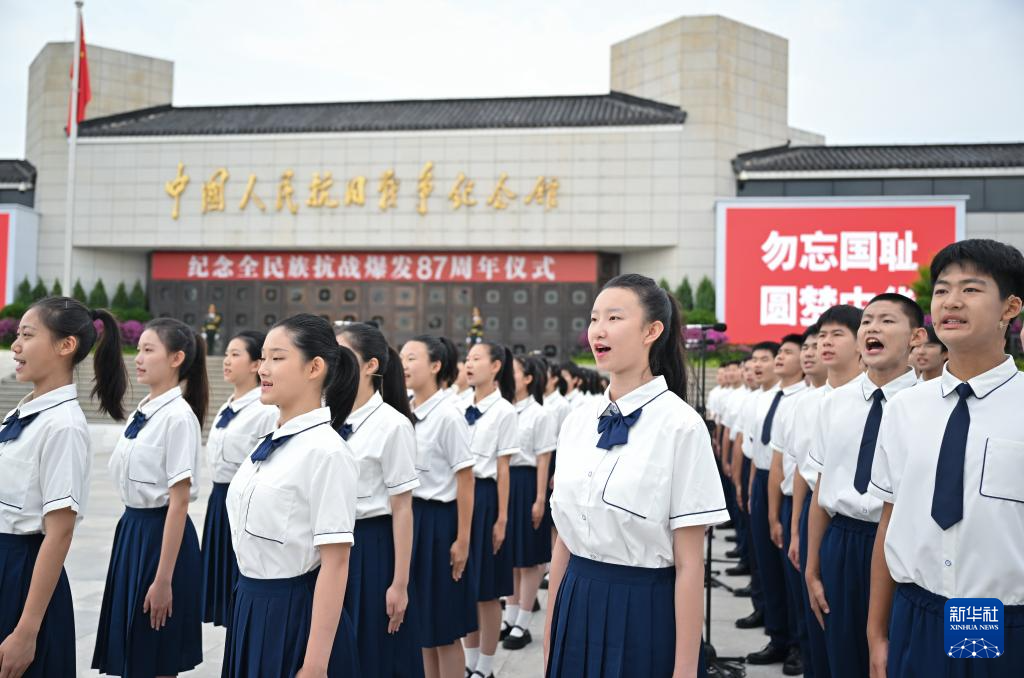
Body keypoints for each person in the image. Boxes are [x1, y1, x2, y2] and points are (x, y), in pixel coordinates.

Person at [544, 273, 728, 678]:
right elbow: (564, 542)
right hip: (575, 602)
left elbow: (690, 564)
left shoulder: (681, 426)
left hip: (644, 612)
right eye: (594, 319)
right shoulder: (577, 421)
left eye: (614, 318)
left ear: (651, 331)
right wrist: (550, 642)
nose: (598, 330)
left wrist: (685, 669)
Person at [868, 240, 1024, 677]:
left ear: (1010, 307)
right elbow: (889, 519)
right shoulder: (905, 408)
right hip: (917, 611)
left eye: (971, 289)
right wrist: (876, 633)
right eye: (941, 290)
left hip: (999, 617)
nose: (951, 301)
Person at [222, 314, 361, 677]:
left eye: (277, 358)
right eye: (263, 358)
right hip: (250, 605)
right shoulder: (271, 442)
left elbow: (336, 563)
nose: (263, 369)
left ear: (314, 367)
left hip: (292, 617)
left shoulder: (327, 453)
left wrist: (314, 664)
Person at [0, 297, 126, 677]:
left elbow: (60, 533)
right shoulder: (22, 414)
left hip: (22, 577)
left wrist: (26, 632)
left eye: (27, 335)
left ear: (66, 345)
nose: (15, 346)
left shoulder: (64, 427)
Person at [805, 294, 924, 678]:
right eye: (868, 321)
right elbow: (822, 488)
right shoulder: (834, 404)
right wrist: (812, 565)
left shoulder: (927, 406)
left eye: (887, 321)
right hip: (842, 539)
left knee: (891, 657)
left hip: (899, 541)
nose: (873, 328)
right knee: (842, 653)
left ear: (916, 337)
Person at [92, 318, 208, 676]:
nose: (138, 358)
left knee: (156, 653)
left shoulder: (178, 418)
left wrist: (163, 579)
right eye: (138, 350)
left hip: (161, 539)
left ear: (176, 358)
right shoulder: (143, 412)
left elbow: (179, 501)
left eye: (148, 350)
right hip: (133, 532)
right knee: (134, 650)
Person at [335, 323, 422, 677]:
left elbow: (402, 508)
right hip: (328, 544)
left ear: (370, 365)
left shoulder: (393, 425)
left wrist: (399, 583)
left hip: (370, 547)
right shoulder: (326, 417)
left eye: (343, 356)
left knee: (371, 651)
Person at [402, 335, 477, 678]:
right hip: (412, 518)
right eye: (402, 357)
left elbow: (465, 479)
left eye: (412, 358)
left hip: (439, 523)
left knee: (444, 627)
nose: (403, 364)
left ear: (435, 366)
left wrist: (462, 540)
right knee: (421, 626)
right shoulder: (406, 411)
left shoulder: (448, 416)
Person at [201, 330, 278, 629]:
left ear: (255, 364)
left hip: (244, 503)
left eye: (235, 354)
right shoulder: (228, 406)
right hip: (218, 501)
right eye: (226, 354)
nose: (226, 361)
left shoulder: (264, 410)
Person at [461, 342, 519, 678]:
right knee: (465, 586)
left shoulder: (504, 411)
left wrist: (502, 518)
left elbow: (503, 468)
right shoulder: (458, 404)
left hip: (485, 499)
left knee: (487, 591)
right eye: (467, 359)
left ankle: (485, 666)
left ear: (496, 366)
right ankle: (469, 662)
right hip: (460, 496)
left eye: (476, 359)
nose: (468, 364)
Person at [501, 356, 556, 651]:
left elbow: (543, 459)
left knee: (529, 556)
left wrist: (539, 499)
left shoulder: (539, 414)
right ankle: (509, 617)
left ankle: (522, 622)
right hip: (505, 482)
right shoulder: (504, 409)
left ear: (528, 379)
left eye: (514, 372)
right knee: (509, 554)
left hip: (527, 482)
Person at [764, 334, 810, 675]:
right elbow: (780, 462)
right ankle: (785, 637)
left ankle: (799, 644)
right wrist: (776, 516)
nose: (813, 352)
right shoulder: (794, 404)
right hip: (789, 495)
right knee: (781, 576)